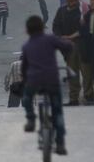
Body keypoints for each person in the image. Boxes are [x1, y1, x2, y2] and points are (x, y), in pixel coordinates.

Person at [21, 15, 73, 156]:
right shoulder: (50, 39)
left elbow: (24, 68)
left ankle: (31, 119)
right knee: (57, 113)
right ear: (42, 28)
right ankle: (60, 143)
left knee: (26, 98)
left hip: (34, 82)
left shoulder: (26, 46)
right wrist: (68, 42)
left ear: (27, 31)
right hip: (52, 81)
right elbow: (67, 46)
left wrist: (25, 81)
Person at [51, 0, 84, 106]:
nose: (71, 3)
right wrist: (61, 37)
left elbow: (84, 28)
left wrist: (71, 37)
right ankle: (74, 98)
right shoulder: (62, 11)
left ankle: (89, 96)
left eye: (73, 1)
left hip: (81, 45)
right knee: (72, 72)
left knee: (86, 72)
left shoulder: (82, 11)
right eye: (69, 1)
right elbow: (55, 25)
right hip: (67, 47)